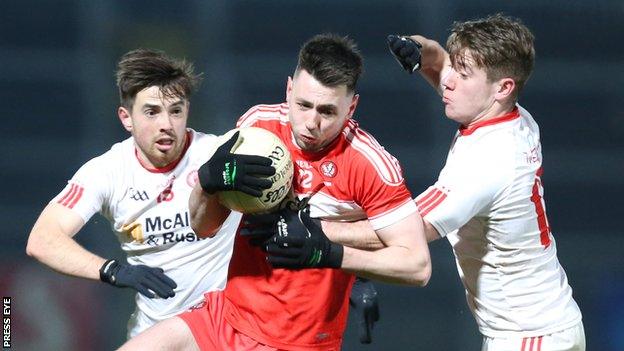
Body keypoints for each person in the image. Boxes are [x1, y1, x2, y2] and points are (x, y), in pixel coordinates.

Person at [120, 33, 431, 351]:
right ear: (288, 90)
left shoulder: (370, 165)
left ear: (351, 107)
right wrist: (207, 184)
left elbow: (417, 266)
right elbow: (204, 226)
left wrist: (327, 253)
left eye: (327, 111)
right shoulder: (257, 128)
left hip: (296, 342)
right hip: (227, 316)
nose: (311, 122)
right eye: (303, 105)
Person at [25, 49, 274, 338]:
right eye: (152, 112)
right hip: (155, 333)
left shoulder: (221, 155)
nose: (166, 124)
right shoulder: (106, 172)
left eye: (176, 110)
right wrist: (112, 270)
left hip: (225, 330)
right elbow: (42, 240)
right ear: (126, 118)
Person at [386, 14, 585, 350]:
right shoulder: (513, 116)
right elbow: (446, 69)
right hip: (544, 326)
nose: (448, 81)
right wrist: (425, 51)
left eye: (463, 75)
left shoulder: (488, 160)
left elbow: (403, 228)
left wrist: (320, 232)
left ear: (503, 88)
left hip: (529, 335)